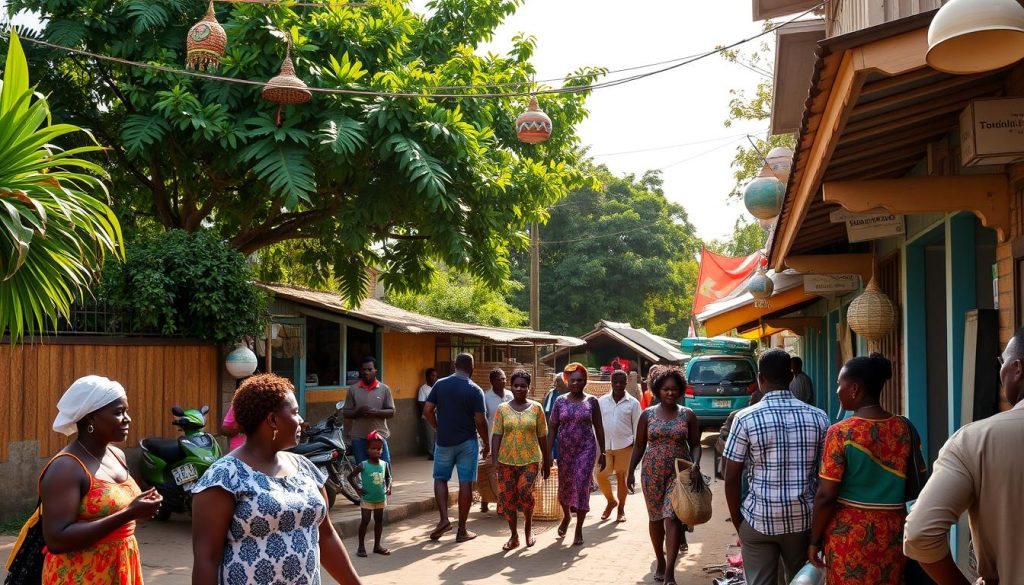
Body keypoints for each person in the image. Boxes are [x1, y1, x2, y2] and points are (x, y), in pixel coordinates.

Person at [192, 374, 363, 585]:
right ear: (272, 420)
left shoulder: (306, 468)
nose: (301, 421)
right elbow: (206, 560)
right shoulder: (223, 477)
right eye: (295, 412)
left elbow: (326, 536)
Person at [904, 327, 1024, 584]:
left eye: (1001, 362)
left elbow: (920, 533)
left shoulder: (974, 440)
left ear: (1018, 368)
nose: (1000, 372)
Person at [808, 353, 921, 584]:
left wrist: (813, 540)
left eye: (840, 384)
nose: (837, 390)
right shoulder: (905, 427)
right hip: (893, 533)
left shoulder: (841, 433)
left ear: (855, 389)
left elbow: (825, 496)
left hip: (850, 535)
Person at [40, 375, 163, 585]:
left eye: (126, 411)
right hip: (80, 575)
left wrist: (142, 506)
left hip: (121, 567)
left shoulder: (117, 455)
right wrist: (130, 513)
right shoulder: (66, 467)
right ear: (90, 418)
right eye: (118, 412)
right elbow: (57, 539)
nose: (127, 418)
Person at [723, 348, 830, 585]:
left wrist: (740, 524)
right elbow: (826, 479)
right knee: (800, 580)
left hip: (759, 518)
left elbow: (731, 478)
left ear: (760, 378)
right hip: (803, 521)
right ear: (792, 377)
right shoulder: (819, 417)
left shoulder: (745, 418)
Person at [627, 367, 702, 585]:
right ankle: (660, 560)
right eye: (666, 389)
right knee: (656, 519)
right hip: (652, 473)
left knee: (673, 517)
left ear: (680, 391)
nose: (670, 393)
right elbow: (639, 446)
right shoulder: (647, 415)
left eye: (674, 389)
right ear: (658, 390)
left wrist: (696, 465)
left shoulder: (687, 415)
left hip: (679, 474)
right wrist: (631, 471)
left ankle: (669, 571)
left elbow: (696, 445)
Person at [423, 352, 490, 543]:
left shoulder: (440, 384)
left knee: (440, 479)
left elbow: (427, 410)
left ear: (454, 365)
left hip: (443, 442)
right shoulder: (475, 389)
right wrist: (486, 442)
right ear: (472, 368)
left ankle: (444, 519)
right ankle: (462, 530)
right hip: (467, 443)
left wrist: (437, 426)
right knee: (465, 483)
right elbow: (480, 420)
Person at [491, 369, 551, 551]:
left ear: (528, 387)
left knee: (524, 490)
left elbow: (543, 436)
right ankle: (514, 536)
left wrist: (547, 461)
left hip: (530, 460)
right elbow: (496, 435)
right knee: (508, 499)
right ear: (511, 386)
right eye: (516, 385)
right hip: (506, 461)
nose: (519, 388)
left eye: (523, 386)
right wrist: (494, 461)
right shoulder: (502, 409)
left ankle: (527, 529)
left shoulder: (536, 408)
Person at [548, 362, 607, 546]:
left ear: (585, 382)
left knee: (582, 486)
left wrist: (602, 452)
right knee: (564, 487)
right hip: (565, 451)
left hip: (586, 450)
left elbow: (598, 427)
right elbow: (552, 428)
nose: (576, 384)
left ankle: (579, 528)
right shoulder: (560, 402)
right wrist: (547, 454)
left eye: (580, 380)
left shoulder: (592, 401)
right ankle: (566, 517)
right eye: (573, 380)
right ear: (567, 381)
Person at [597, 369, 641, 523]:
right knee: (601, 475)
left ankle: (621, 509)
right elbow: (597, 425)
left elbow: (637, 426)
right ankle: (611, 501)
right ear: (611, 382)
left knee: (622, 478)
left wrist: (637, 448)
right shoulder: (601, 401)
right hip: (606, 447)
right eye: (615, 382)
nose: (618, 385)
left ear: (626, 382)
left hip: (625, 445)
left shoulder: (633, 403)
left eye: (621, 382)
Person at [347, 431, 393, 558]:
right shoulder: (363, 465)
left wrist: (388, 487)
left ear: (382, 450)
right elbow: (350, 477)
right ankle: (361, 547)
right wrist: (357, 489)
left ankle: (377, 546)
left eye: (379, 449)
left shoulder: (384, 465)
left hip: (380, 498)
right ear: (367, 449)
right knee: (365, 521)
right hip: (367, 499)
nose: (376, 451)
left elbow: (388, 478)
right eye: (373, 448)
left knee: (379, 521)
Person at [343, 356, 396, 464]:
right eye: (364, 369)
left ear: (375, 370)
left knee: (384, 469)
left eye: (370, 369)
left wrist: (376, 412)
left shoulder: (384, 389)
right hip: (359, 437)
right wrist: (359, 412)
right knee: (363, 470)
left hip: (379, 437)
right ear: (360, 371)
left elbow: (391, 412)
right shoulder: (353, 389)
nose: (366, 372)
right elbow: (346, 412)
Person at [481, 367, 513, 513]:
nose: (503, 381)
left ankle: (502, 503)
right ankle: (486, 499)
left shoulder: (510, 395)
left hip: (509, 440)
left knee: (505, 471)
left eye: (504, 378)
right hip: (491, 439)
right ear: (492, 381)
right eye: (500, 379)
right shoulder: (486, 397)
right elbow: (482, 419)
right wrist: (484, 442)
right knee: (491, 471)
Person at [541, 373, 569, 459]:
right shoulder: (552, 394)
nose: (557, 384)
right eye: (556, 381)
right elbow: (546, 411)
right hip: (553, 429)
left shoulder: (571, 395)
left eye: (559, 381)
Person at [417, 368, 439, 459]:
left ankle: (437, 452)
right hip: (427, 416)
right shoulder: (423, 388)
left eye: (435, 376)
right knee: (429, 436)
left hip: (437, 415)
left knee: (437, 435)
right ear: (427, 377)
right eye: (432, 375)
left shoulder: (437, 387)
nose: (434, 378)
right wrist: (429, 410)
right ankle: (431, 453)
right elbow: (421, 403)